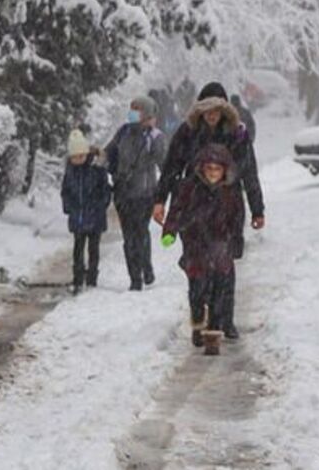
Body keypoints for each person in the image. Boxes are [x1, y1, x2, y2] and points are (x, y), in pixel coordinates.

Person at [153, 81, 264, 338]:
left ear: (225, 110)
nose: (212, 115)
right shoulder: (187, 132)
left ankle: (224, 319)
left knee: (224, 266)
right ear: (200, 111)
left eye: (217, 109)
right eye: (207, 109)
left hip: (227, 207)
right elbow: (171, 167)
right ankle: (199, 318)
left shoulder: (237, 134)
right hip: (193, 208)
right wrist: (161, 201)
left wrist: (257, 209)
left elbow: (249, 173)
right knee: (198, 267)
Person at [161, 144, 240, 352]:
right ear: (201, 169)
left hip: (220, 247)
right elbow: (176, 210)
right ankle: (198, 322)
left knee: (218, 292)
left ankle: (213, 335)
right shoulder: (189, 188)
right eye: (209, 169)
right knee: (198, 289)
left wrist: (236, 242)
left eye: (217, 169)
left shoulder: (230, 191)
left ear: (224, 170)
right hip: (195, 246)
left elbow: (237, 218)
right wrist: (170, 231)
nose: (213, 174)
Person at [104, 95, 166, 291]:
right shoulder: (123, 132)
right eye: (131, 108)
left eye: (137, 109)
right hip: (123, 192)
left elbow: (164, 164)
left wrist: (166, 191)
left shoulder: (155, 137)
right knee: (128, 236)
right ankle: (135, 278)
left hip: (145, 193)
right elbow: (108, 154)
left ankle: (145, 268)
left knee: (140, 232)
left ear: (146, 113)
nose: (132, 112)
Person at [59, 128, 110, 293]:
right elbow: (65, 191)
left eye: (81, 156)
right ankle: (78, 278)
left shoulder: (96, 169)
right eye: (74, 157)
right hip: (77, 217)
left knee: (93, 249)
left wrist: (100, 205)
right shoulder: (70, 172)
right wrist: (68, 207)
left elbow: (105, 190)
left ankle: (92, 278)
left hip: (95, 217)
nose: (78, 159)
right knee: (78, 249)